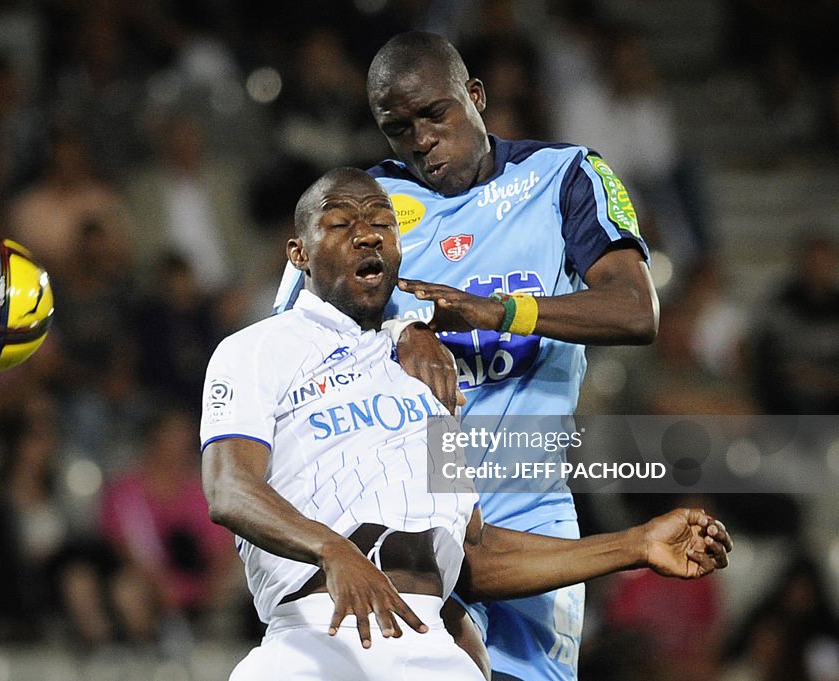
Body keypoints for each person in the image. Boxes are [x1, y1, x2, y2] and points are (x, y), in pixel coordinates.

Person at [211, 168, 729, 680]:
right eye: (341, 223)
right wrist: (331, 548)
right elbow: (230, 488)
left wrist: (636, 544)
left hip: (428, 642)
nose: (367, 234)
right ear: (298, 253)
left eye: (382, 223)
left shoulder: (426, 375)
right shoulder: (256, 350)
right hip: (316, 635)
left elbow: (475, 550)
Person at [272, 31, 662, 680]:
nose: (420, 139)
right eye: (398, 128)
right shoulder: (358, 208)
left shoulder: (565, 177)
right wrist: (400, 329)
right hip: (413, 505)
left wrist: (501, 310)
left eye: (434, 115)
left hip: (533, 503)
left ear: (474, 96)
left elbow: (634, 308)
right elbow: (284, 349)